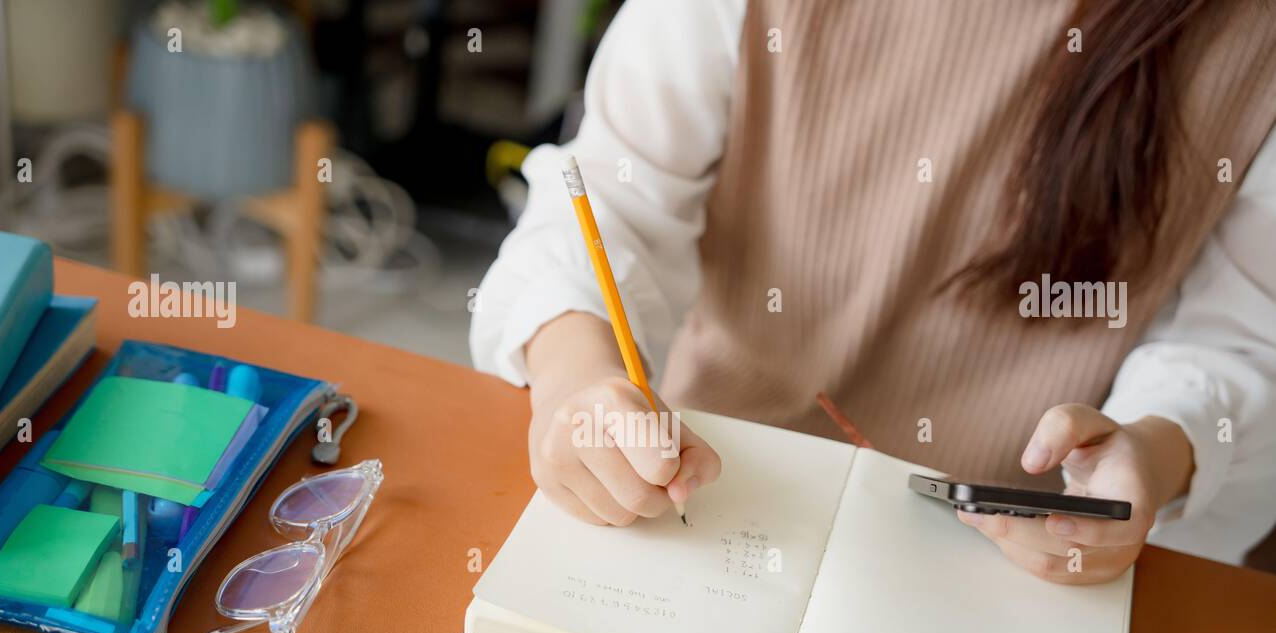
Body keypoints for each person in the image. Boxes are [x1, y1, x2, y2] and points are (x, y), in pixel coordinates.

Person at [471, 0, 1276, 584]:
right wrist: (575, 386)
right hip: (703, 497)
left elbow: (1241, 338)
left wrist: (1155, 450)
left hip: (1016, 562)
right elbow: (611, 201)